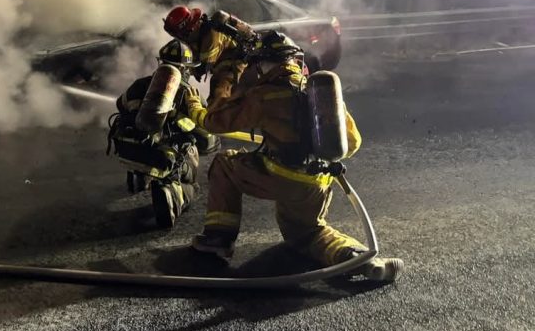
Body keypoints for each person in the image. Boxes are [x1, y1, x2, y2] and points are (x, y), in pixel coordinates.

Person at [184, 30, 404, 282]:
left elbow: (215, 121)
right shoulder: (321, 93)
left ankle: (217, 239)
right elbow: (352, 143)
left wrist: (195, 103)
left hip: (280, 175)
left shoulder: (266, 93)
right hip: (317, 183)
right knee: (309, 233)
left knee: (225, 163)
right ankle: (360, 259)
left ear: (264, 64)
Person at [107, 39, 201, 228]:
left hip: (127, 150)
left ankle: (138, 179)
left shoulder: (140, 84)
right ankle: (172, 191)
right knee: (193, 182)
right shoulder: (186, 93)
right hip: (160, 156)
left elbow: (120, 104)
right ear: (185, 69)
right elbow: (207, 138)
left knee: (144, 139)